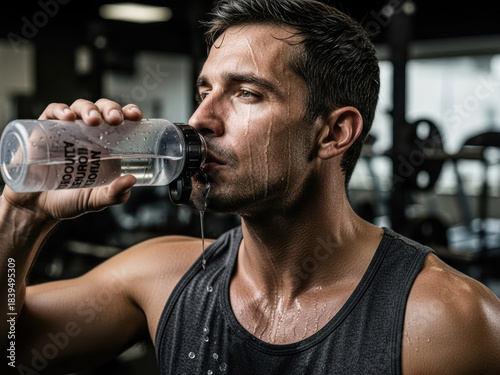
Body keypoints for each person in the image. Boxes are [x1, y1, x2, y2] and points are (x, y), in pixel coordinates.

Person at [2, 0, 500, 374]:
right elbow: (11, 348)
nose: (199, 119)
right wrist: (21, 216)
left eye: (246, 93)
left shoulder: (447, 320)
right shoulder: (161, 277)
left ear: (333, 133)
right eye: (204, 91)